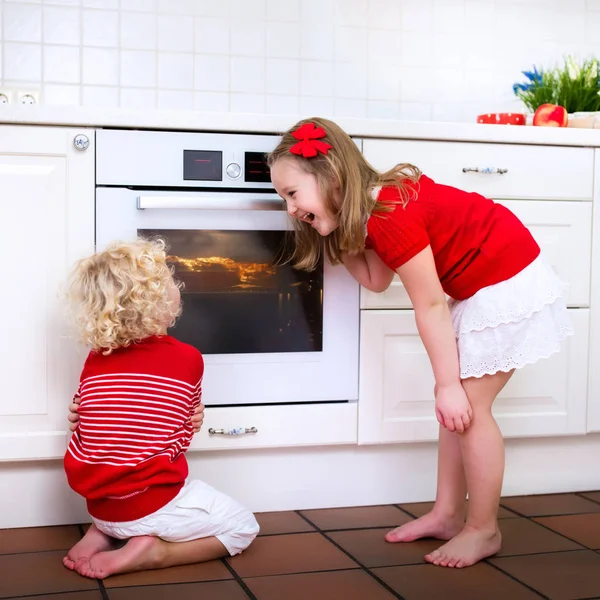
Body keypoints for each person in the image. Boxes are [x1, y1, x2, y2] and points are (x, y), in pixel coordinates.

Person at [267, 118, 572, 568]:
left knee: (467, 409)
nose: (290, 208)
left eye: (292, 194)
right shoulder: (374, 211)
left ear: (331, 176)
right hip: (485, 278)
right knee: (459, 413)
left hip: (506, 281)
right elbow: (375, 279)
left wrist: (446, 384)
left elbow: (429, 304)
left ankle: (483, 529)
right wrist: (339, 233)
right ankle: (449, 515)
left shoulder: (390, 218)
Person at [62, 238, 259, 580]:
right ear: (158, 299)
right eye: (170, 281)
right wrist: (193, 420)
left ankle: (105, 532)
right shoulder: (187, 359)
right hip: (151, 505)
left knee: (129, 467)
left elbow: (88, 420)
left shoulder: (96, 358)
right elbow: (180, 437)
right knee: (243, 526)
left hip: (100, 502)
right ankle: (156, 552)